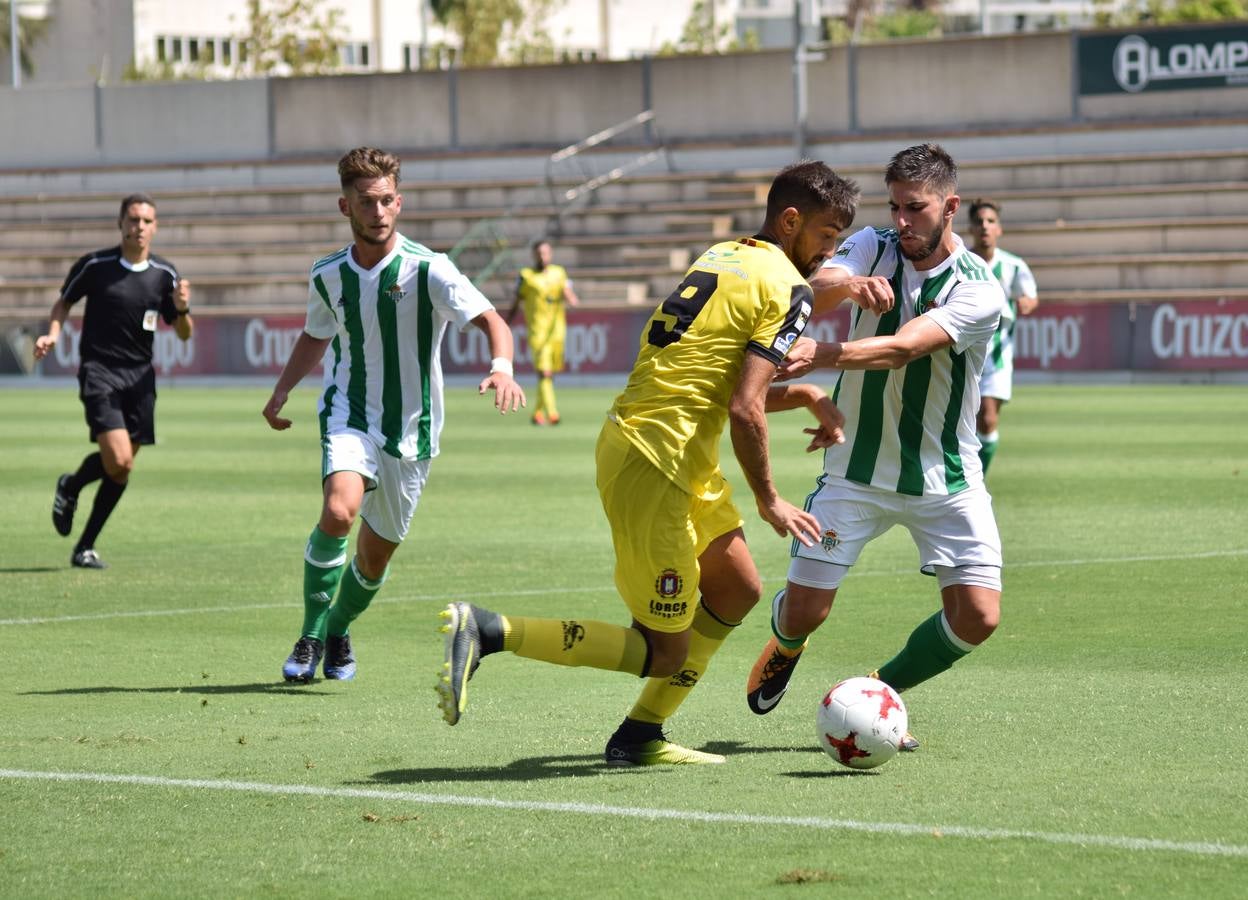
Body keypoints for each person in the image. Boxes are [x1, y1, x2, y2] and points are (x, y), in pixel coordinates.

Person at [435, 160, 863, 766]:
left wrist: (809, 394)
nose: (830, 252)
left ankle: (640, 736)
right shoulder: (786, 288)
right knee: (662, 651)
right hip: (655, 458)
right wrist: (770, 499)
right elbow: (744, 409)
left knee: (738, 588)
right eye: (826, 236)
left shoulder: (724, 255)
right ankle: (489, 630)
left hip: (674, 448)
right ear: (791, 222)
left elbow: (715, 383)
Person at [745, 144, 1006, 754]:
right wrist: (847, 286)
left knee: (978, 617)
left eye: (915, 208)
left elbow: (906, 347)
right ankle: (786, 645)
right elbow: (816, 286)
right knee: (806, 613)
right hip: (854, 472)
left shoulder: (978, 290)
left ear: (950, 207)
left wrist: (824, 353)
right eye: (895, 207)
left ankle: (877, 690)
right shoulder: (875, 244)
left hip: (946, 478)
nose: (903, 221)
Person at [262, 146, 525, 683]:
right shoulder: (327, 274)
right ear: (345, 207)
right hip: (348, 412)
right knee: (339, 511)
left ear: (399, 203)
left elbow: (493, 320)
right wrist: (282, 390)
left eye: (385, 201)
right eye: (365, 202)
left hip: (412, 430)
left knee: (373, 561)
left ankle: (338, 629)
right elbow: (317, 334)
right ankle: (311, 636)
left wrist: (502, 367)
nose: (377, 212)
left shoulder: (430, 268)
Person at [33, 194, 193, 570]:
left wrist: (183, 307)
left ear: (155, 227)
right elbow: (63, 303)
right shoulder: (95, 265)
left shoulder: (164, 274)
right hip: (99, 371)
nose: (139, 227)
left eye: (147, 221)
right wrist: (53, 333)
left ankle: (83, 541)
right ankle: (71, 489)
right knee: (118, 458)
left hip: (140, 378)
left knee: (121, 468)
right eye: (133, 219)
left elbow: (184, 333)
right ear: (121, 223)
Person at [966, 198, 1038, 474]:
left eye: (990, 221)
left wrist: (1026, 304)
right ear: (971, 228)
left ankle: (977, 481)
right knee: (963, 424)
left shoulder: (1014, 266)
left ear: (999, 229)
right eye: (979, 221)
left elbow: (1030, 296)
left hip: (997, 355)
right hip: (963, 352)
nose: (984, 226)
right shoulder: (963, 262)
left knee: (987, 419)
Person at [506, 238, 580, 425]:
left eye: (545, 253)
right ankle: (553, 413)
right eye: (539, 253)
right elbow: (516, 302)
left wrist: (572, 299)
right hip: (537, 332)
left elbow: (567, 292)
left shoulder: (559, 273)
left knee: (549, 374)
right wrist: (506, 323)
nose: (542, 256)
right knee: (544, 373)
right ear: (534, 255)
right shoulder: (526, 276)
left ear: (550, 254)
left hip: (556, 332)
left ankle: (537, 413)